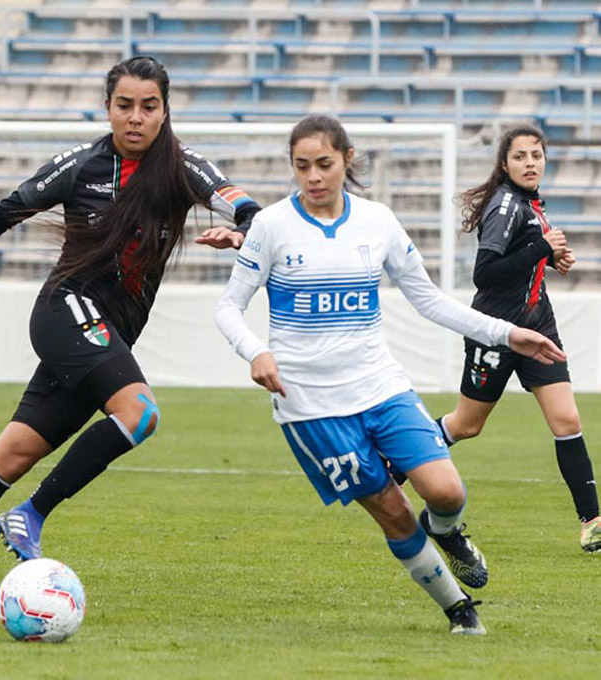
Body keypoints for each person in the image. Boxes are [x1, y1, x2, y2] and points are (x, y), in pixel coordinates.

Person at [0, 56, 262, 615]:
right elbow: (5, 211)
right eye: (123, 105)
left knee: (8, 457)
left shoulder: (184, 169)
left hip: (106, 335)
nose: (135, 117)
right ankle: (30, 514)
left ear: (164, 110)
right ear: (107, 109)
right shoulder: (80, 166)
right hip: (66, 310)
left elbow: (251, 209)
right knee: (140, 414)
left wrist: (241, 232)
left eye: (148, 106)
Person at [214, 114, 566, 634]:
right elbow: (228, 308)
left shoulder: (377, 221)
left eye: (324, 164)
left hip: (381, 385)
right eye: (302, 166)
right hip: (311, 405)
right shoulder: (269, 227)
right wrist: (255, 352)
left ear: (347, 160)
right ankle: (459, 610)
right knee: (394, 512)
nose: (313, 177)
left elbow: (428, 299)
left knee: (446, 492)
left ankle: (446, 531)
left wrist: (506, 333)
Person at [431, 125, 600, 553]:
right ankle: (396, 458)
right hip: (497, 331)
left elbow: (525, 258)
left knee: (567, 422)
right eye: (521, 156)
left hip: (538, 327)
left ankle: (593, 522)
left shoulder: (531, 204)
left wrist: (548, 256)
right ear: (504, 164)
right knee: (466, 426)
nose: (530, 163)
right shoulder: (506, 204)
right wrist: (540, 249)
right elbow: (485, 273)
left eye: (536, 155)